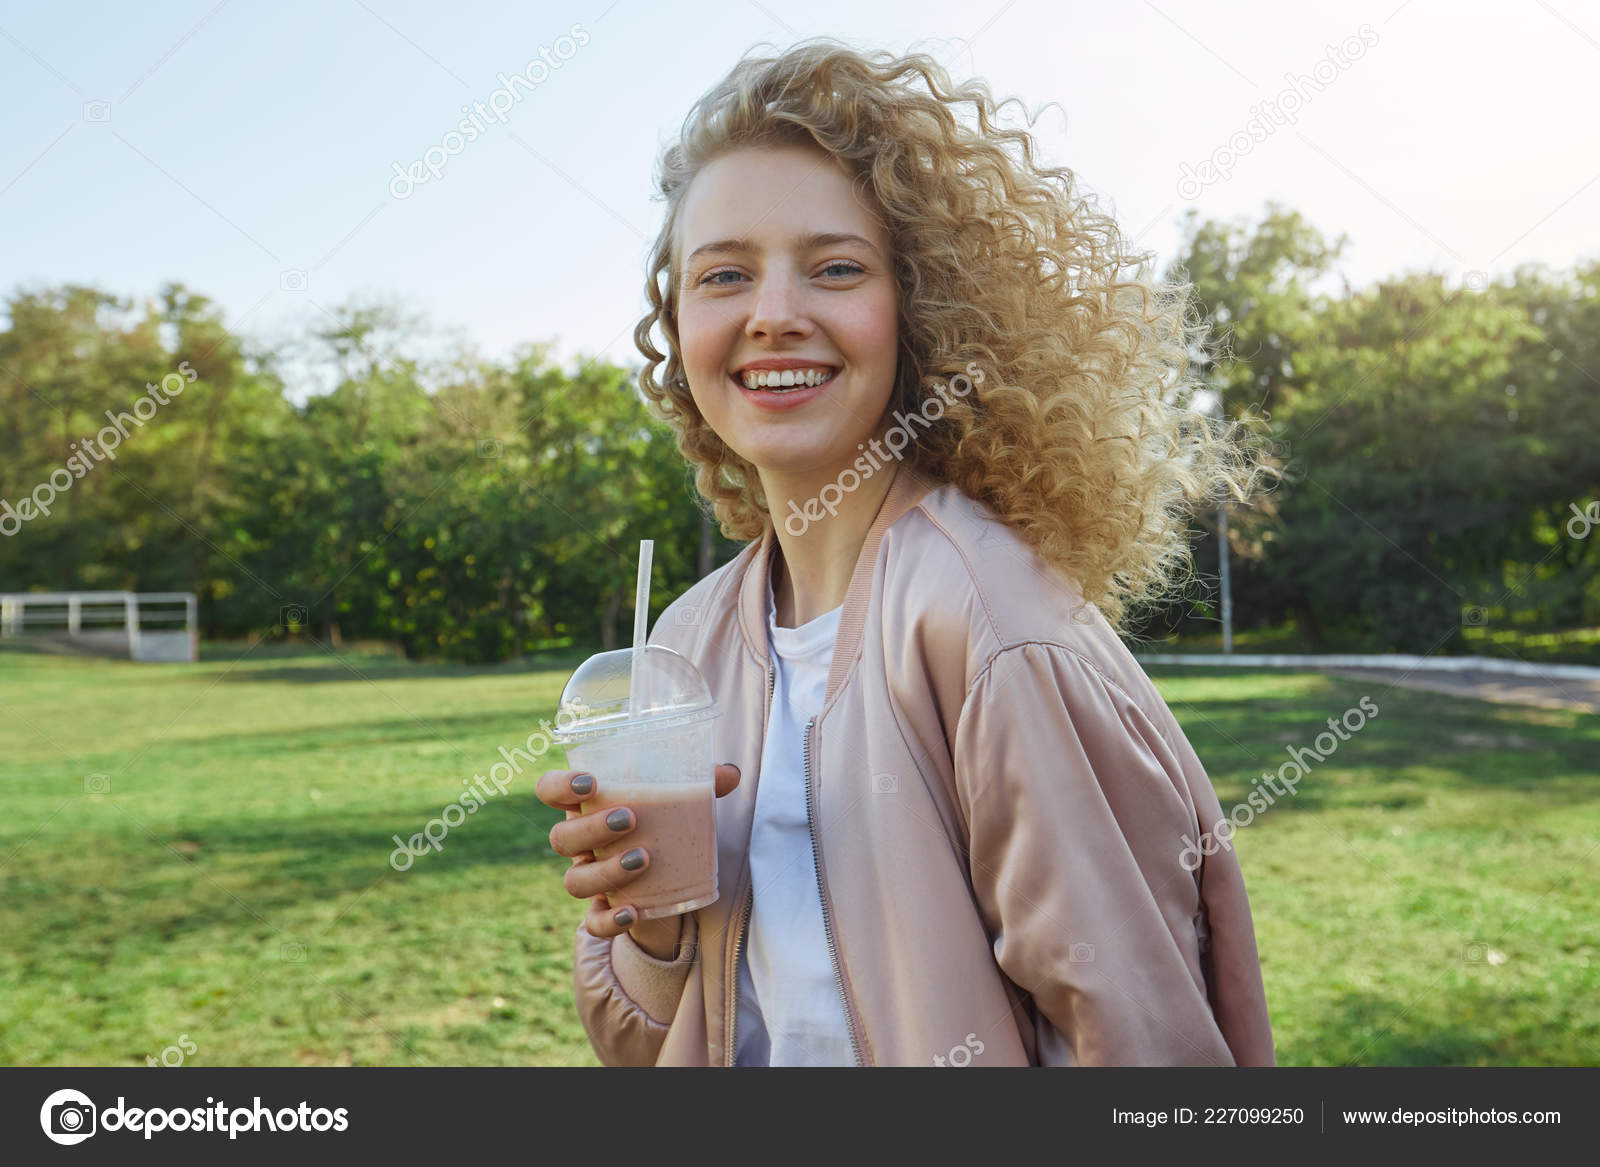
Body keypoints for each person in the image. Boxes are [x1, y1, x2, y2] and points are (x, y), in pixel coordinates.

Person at [535, 38, 1277, 1066]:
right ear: (675, 323)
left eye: (835, 268)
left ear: (918, 310)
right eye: (723, 275)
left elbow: (1138, 1046)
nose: (774, 314)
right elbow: (652, 1045)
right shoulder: (690, 639)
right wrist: (651, 918)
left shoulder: (992, 624)